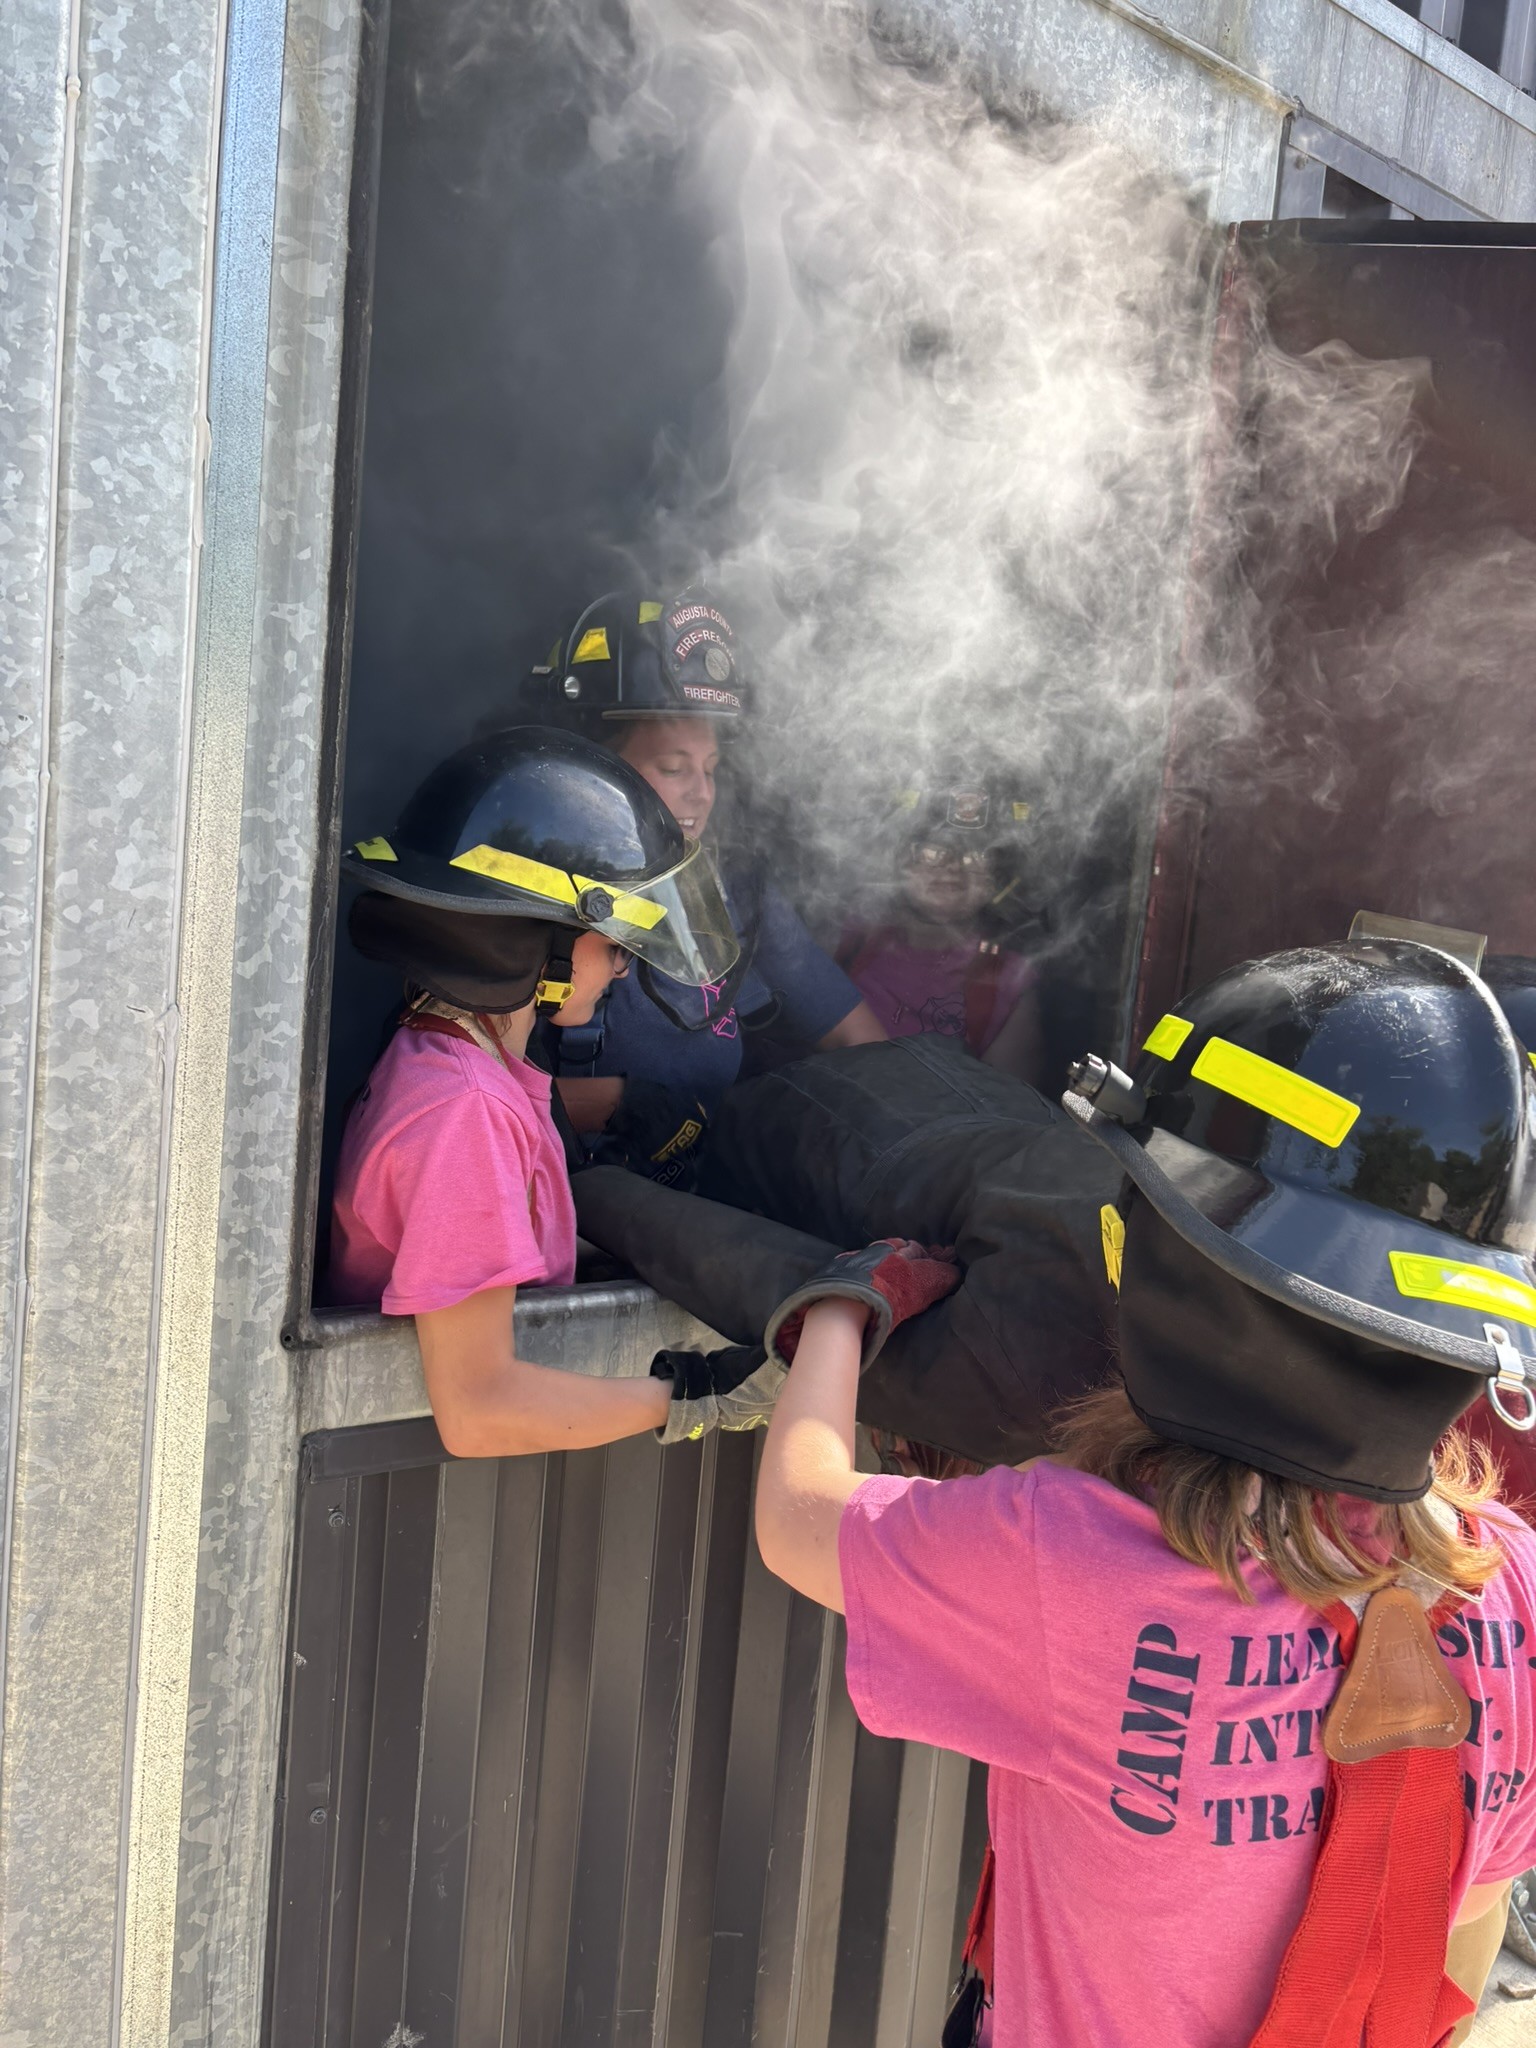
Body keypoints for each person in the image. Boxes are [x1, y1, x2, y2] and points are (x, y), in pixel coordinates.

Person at [754, 937, 1536, 2047]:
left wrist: (838, 1308)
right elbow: (1460, 1924)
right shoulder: (1514, 1586)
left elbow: (797, 1517)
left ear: (1178, 1258)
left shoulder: (1071, 1561)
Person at [327, 726, 783, 1452]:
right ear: (531, 941)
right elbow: (479, 1406)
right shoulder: (463, 1115)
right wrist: (703, 1395)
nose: (624, 971)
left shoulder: (457, 1059)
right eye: (610, 946)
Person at [515, 591, 885, 1180]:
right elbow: (477, 1101)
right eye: (672, 766)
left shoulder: (735, 887)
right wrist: (621, 1103)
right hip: (573, 1212)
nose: (701, 792)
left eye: (709, 769)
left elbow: (856, 1039)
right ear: (590, 762)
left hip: (707, 1199)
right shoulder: (531, 897)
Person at [836, 766, 1047, 1084]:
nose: (953, 867)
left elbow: (1005, 1114)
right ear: (901, 861)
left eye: (976, 855)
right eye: (933, 850)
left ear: (994, 879)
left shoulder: (1008, 983)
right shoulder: (848, 943)